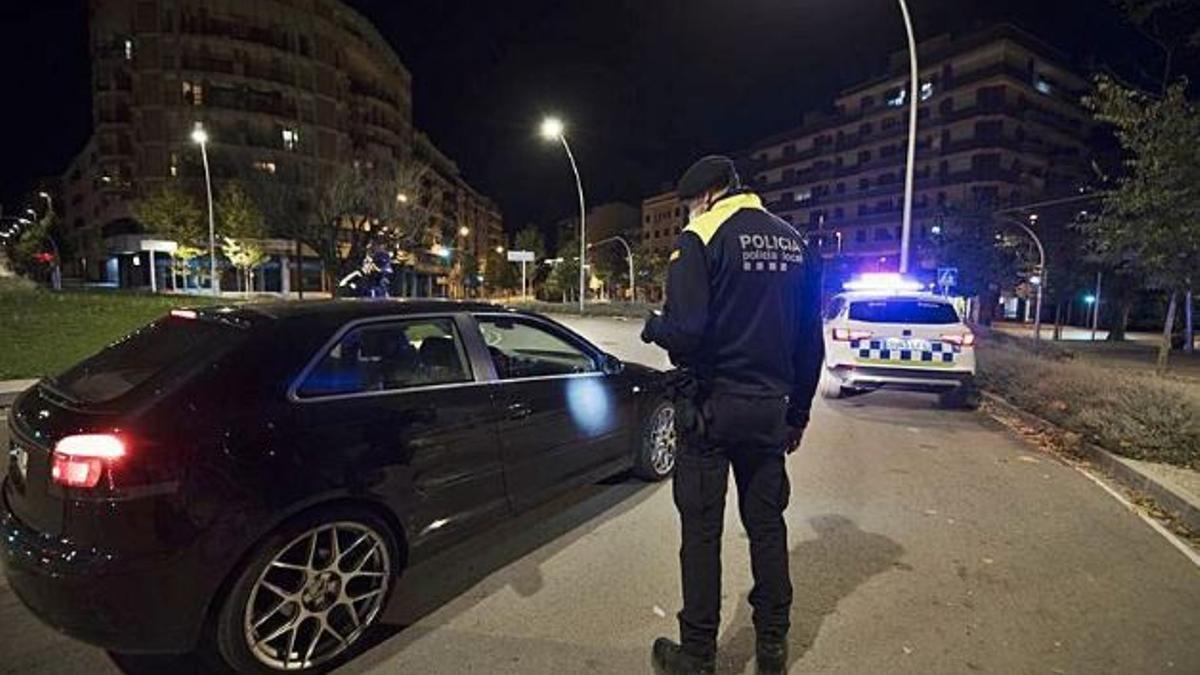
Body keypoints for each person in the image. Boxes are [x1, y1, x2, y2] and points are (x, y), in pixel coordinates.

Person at [641, 155, 824, 675]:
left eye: (688, 205)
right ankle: (772, 647)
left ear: (706, 195)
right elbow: (811, 341)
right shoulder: (795, 242)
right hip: (770, 411)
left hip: (711, 408)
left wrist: (655, 326)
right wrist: (800, 412)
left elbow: (687, 335)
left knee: (701, 530)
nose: (687, 214)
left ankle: (697, 654)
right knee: (767, 524)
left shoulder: (702, 236)